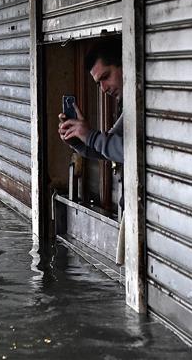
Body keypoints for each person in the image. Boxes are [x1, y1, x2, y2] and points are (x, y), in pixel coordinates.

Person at [57, 37, 126, 264]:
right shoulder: (129, 108)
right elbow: (109, 148)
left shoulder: (146, 102)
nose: (103, 89)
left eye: (105, 77)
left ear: (126, 63)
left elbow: (130, 151)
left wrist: (90, 136)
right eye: (98, 84)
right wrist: (79, 141)